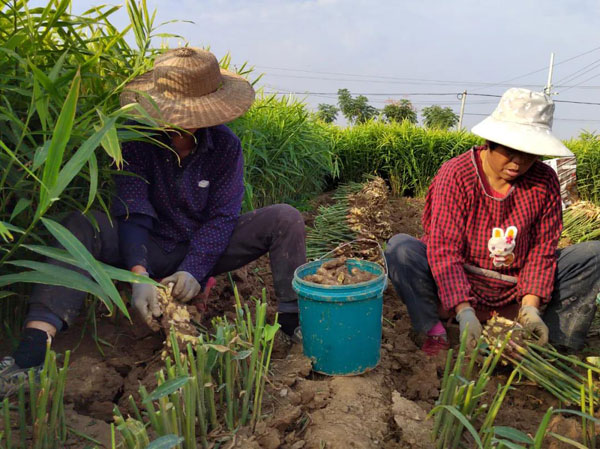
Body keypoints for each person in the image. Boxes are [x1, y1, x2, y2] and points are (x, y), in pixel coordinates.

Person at [0, 47, 306, 395]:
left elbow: (222, 217)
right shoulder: (135, 139)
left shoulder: (225, 146)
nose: (182, 124)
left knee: (286, 217)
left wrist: (193, 269)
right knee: (78, 224)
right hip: (147, 244)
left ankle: (292, 322)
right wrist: (139, 275)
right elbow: (132, 208)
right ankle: (32, 352)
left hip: (201, 247)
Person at [385, 87, 600, 356]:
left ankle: (552, 345)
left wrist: (531, 308)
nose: (519, 161)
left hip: (513, 287)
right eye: (511, 151)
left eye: (530, 153)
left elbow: (541, 251)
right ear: (491, 142)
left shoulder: (544, 181)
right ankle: (435, 331)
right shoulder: (456, 175)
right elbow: (444, 250)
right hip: (458, 282)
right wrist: (464, 311)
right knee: (401, 249)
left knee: (591, 254)